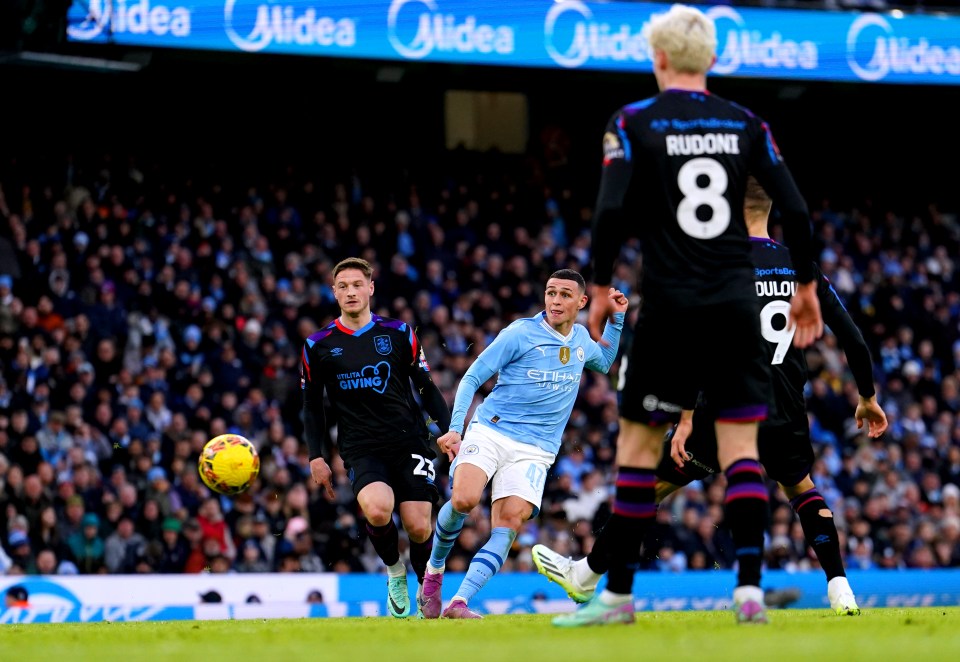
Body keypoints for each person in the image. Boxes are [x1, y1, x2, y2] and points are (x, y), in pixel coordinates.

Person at [568, 4, 823, 626]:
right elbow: (795, 208)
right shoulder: (747, 123)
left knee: (636, 450)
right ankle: (749, 593)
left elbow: (607, 214)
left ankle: (617, 598)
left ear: (657, 59)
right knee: (741, 453)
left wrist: (599, 287)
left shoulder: (631, 121)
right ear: (711, 59)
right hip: (735, 308)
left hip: (670, 310)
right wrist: (808, 286)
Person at [533, 176, 888, 617]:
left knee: (652, 485)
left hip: (725, 405)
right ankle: (840, 588)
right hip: (785, 405)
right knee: (801, 489)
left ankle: (586, 575)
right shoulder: (802, 268)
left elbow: (694, 347)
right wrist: (867, 396)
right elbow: (853, 338)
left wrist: (684, 416)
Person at [418, 269, 629, 619]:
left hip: (536, 450)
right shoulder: (520, 333)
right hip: (491, 431)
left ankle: (460, 602)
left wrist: (616, 319)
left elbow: (604, 363)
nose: (555, 301)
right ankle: (434, 570)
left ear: (582, 301)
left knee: (510, 523)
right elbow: (472, 376)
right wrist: (456, 429)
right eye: (550, 293)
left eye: (564, 295)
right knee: (465, 499)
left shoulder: (579, 339)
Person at [302, 257, 451, 618]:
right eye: (343, 286)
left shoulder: (400, 333)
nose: (351, 292)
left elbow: (427, 388)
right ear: (334, 292)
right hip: (360, 446)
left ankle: (424, 586)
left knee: (418, 525)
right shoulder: (318, 344)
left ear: (370, 288)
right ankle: (394, 572)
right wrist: (316, 455)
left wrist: (448, 432)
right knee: (377, 508)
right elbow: (311, 407)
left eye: (357, 285)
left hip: (409, 441)